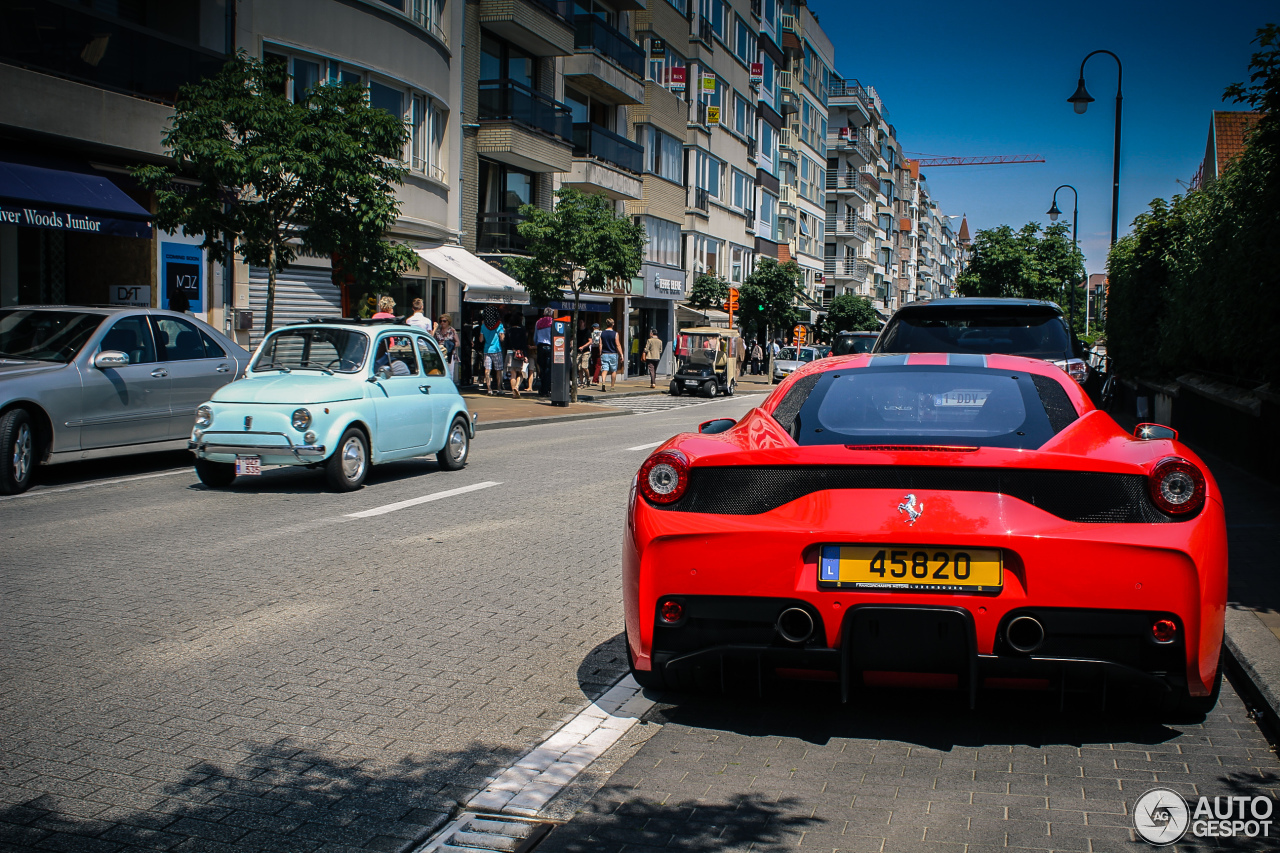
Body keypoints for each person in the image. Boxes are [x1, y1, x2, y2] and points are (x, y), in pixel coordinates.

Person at [479, 307, 504, 393]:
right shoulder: (499, 325)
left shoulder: (483, 325)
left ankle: (489, 389)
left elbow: (481, 339)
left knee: (487, 369)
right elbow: (502, 338)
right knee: (499, 370)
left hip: (487, 350)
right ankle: (499, 388)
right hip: (497, 349)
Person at [505, 312, 528, 399]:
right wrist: (525, 355)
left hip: (510, 353)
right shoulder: (522, 330)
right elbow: (524, 344)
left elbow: (506, 344)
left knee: (512, 374)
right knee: (521, 372)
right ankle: (517, 387)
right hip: (519, 353)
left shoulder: (508, 330)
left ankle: (513, 392)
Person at [534, 307, 554, 396]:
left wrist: (536, 343)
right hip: (550, 346)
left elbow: (535, 336)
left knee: (541, 368)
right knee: (548, 369)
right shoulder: (553, 322)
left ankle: (542, 388)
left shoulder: (538, 322)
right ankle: (546, 389)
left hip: (540, 346)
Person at [433, 314, 459, 382]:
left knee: (450, 371)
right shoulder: (438, 331)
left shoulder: (452, 330)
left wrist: (451, 345)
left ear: (448, 322)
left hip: (450, 353)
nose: (442, 323)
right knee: (441, 370)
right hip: (440, 353)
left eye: (444, 321)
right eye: (441, 321)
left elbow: (458, 342)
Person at [599, 318, 620, 392]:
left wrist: (600, 353)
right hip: (613, 353)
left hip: (604, 353)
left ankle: (603, 382)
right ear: (613, 324)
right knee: (613, 370)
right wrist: (621, 354)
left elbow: (600, 344)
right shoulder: (615, 334)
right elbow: (618, 345)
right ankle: (612, 386)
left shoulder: (602, 333)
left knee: (605, 369)